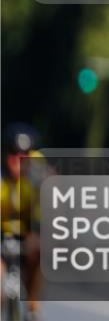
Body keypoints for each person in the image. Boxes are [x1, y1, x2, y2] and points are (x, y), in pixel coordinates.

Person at [0, 123, 45, 321]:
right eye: (13, 154)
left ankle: (32, 306)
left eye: (24, 155)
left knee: (40, 250)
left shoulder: (38, 172)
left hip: (27, 230)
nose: (18, 161)